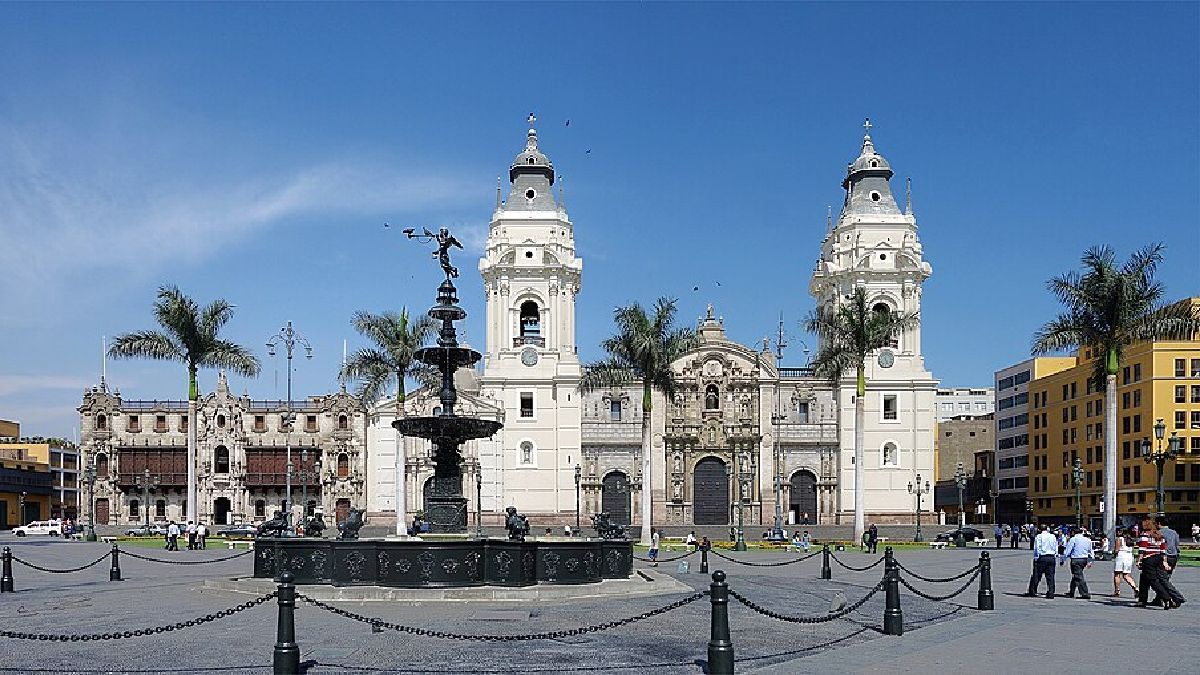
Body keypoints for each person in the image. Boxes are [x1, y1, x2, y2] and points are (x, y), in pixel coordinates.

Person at [1136, 516, 1186, 609]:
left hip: (1150, 559)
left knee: (1156, 580)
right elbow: (1168, 548)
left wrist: (1139, 560)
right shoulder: (1163, 534)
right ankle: (1143, 600)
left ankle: (1170, 598)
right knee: (1145, 578)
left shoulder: (1147, 534)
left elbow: (1142, 549)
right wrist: (1165, 561)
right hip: (1163, 558)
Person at [1151, 517, 1181, 607]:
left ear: (1159, 523)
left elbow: (1157, 546)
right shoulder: (1174, 532)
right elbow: (1177, 545)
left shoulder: (1159, 533)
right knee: (1166, 578)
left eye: (1156, 523)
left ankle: (1176, 597)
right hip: (1174, 557)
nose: (1155, 525)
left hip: (1164, 557)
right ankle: (1159, 599)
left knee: (1161, 580)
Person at [1059, 527, 1094, 599]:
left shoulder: (1073, 539)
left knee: (1078, 576)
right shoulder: (1088, 540)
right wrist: (1090, 561)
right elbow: (1091, 551)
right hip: (1084, 559)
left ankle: (1085, 593)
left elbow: (1068, 551)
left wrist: (1063, 560)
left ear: (1073, 532)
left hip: (1076, 559)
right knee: (1076, 575)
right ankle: (1071, 591)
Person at [1025, 524, 1058, 599]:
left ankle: (1032, 591)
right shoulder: (1052, 536)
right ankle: (1051, 592)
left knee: (1037, 575)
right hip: (1051, 557)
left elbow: (1037, 548)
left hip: (1042, 557)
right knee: (1050, 576)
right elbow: (1055, 546)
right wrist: (1055, 554)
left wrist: (1036, 558)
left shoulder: (1039, 536)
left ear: (1039, 530)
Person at [1112, 528, 1138, 598]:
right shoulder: (1131, 540)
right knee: (1126, 575)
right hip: (1129, 556)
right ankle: (1135, 587)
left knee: (1117, 574)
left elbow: (1117, 550)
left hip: (1121, 556)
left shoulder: (1119, 539)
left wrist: (1113, 553)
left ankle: (1117, 591)